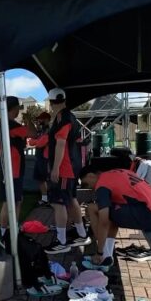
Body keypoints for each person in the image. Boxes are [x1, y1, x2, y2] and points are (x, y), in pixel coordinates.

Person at [77, 163, 151, 269]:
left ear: (90, 175)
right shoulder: (120, 171)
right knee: (112, 211)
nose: (89, 188)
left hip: (149, 216)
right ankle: (107, 257)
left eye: (86, 184)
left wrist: (99, 251)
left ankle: (102, 255)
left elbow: (104, 222)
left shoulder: (102, 185)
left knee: (92, 208)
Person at [44, 88, 91, 255]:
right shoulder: (64, 117)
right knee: (71, 200)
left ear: (51, 103)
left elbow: (61, 144)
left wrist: (55, 168)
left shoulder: (64, 118)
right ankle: (81, 234)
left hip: (65, 167)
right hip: (70, 167)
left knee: (58, 203)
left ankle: (62, 240)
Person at [0, 96, 27, 247]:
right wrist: (29, 118)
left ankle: (8, 233)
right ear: (15, 108)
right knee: (11, 201)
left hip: (7, 166)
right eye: (19, 107)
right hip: (13, 168)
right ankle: (7, 235)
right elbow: (32, 132)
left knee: (13, 201)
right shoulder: (10, 124)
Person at [26, 111, 52, 204]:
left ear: (46, 119)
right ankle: (45, 199)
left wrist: (35, 142)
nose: (39, 121)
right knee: (40, 179)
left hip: (45, 158)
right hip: (39, 156)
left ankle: (50, 198)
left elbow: (41, 142)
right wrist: (36, 142)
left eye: (40, 119)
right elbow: (33, 141)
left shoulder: (49, 129)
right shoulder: (42, 130)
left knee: (46, 178)